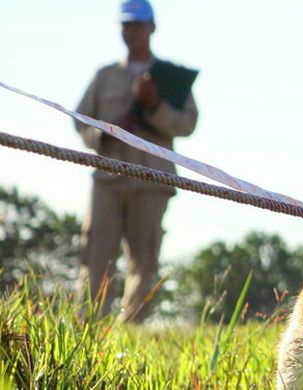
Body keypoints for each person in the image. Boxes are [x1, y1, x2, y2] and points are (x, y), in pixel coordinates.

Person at [74, 0, 198, 323]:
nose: (133, 31)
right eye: (127, 25)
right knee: (96, 257)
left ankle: (130, 332)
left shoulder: (168, 76)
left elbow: (188, 124)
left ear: (152, 27)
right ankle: (89, 331)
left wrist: (155, 106)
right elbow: (80, 121)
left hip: (151, 182)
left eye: (138, 24)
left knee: (144, 261)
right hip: (107, 180)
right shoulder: (104, 76)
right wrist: (103, 134)